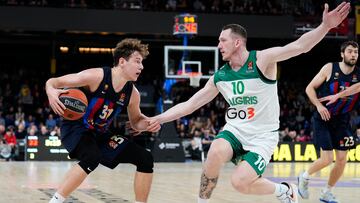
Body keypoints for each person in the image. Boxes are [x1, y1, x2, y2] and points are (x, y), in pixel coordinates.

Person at [147, 2, 350, 203]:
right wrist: (158, 118)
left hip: (262, 137)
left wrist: (325, 26)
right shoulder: (220, 76)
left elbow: (300, 46)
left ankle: (284, 189)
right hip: (235, 131)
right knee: (215, 152)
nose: (218, 45)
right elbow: (190, 105)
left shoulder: (262, 60)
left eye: (222, 40)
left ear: (237, 43)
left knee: (240, 183)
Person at [45, 38, 161, 203]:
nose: (141, 67)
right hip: (76, 129)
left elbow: (136, 122)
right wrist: (51, 92)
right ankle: (55, 201)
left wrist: (149, 124)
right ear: (122, 61)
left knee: (145, 158)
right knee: (92, 157)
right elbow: (54, 82)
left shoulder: (133, 94)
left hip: (100, 133)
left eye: (142, 63)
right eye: (137, 61)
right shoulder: (96, 76)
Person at [298, 40, 359, 203]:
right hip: (324, 118)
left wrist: (338, 96)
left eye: (356, 52)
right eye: (350, 51)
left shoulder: (359, 74)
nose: (353, 54)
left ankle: (326, 192)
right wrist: (318, 106)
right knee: (327, 159)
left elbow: (358, 87)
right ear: (342, 54)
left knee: (341, 160)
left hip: (343, 120)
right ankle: (303, 177)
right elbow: (309, 88)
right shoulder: (329, 68)